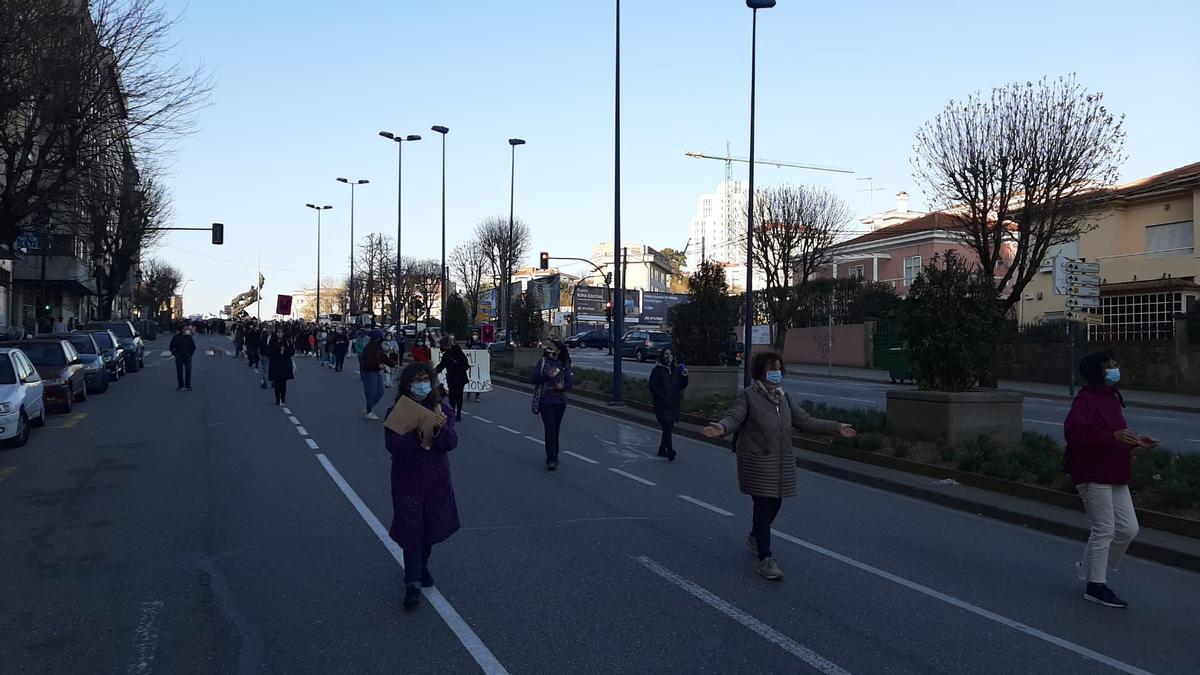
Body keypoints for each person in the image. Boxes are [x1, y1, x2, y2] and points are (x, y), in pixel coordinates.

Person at [702, 351, 856, 581]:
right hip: (758, 461)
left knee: (775, 504)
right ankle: (766, 558)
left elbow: (806, 421)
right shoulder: (749, 396)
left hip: (781, 462)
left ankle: (755, 536)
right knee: (763, 506)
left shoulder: (784, 398)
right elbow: (734, 417)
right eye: (771, 368)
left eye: (778, 368)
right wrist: (722, 428)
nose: (776, 372)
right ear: (760, 372)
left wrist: (836, 427)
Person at [1063, 350, 1152, 609]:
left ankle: (1092, 565)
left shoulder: (1111, 397)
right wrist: (1113, 438)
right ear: (1096, 372)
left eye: (1115, 364)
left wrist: (1137, 441)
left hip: (1114, 472)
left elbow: (1115, 434)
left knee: (1128, 529)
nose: (1115, 369)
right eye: (1110, 365)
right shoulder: (1087, 400)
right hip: (1092, 473)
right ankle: (1095, 586)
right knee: (1104, 529)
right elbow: (1075, 435)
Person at [385, 362, 461, 609]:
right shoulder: (396, 412)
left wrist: (438, 429)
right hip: (407, 481)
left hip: (436, 480)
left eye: (425, 379)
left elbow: (450, 443)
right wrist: (417, 432)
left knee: (430, 528)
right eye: (416, 380)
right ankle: (412, 582)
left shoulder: (443, 410)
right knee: (411, 531)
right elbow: (394, 447)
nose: (422, 384)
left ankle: (422, 564)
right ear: (407, 385)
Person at [531, 340, 572, 470]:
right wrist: (546, 376)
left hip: (560, 401)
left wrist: (563, 386)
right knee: (549, 428)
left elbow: (569, 383)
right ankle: (551, 458)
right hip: (545, 400)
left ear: (558, 351)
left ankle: (555, 452)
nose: (548, 350)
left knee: (556, 428)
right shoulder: (542, 363)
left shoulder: (564, 365)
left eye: (551, 348)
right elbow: (534, 379)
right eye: (547, 348)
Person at [649, 348, 689, 461]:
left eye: (671, 354)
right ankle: (670, 450)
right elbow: (653, 386)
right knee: (666, 425)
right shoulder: (657, 370)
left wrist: (685, 376)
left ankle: (662, 448)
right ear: (662, 356)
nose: (669, 356)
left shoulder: (675, 370)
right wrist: (662, 397)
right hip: (662, 404)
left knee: (669, 426)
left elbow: (681, 385)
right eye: (666, 354)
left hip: (673, 403)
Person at [361, 330, 397, 420]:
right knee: (371, 392)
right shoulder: (368, 348)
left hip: (376, 371)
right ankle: (369, 410)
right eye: (380, 338)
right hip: (369, 372)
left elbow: (383, 357)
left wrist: (393, 364)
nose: (382, 339)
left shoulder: (378, 347)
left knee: (380, 391)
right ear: (376, 338)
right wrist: (378, 365)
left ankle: (368, 407)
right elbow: (366, 361)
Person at [435, 334, 470, 421]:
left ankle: (457, 413)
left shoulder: (457, 352)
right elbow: (441, 365)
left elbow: (465, 364)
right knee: (453, 395)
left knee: (458, 395)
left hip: (459, 377)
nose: (442, 347)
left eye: (443, 345)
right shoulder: (447, 355)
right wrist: (433, 372)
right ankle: (454, 411)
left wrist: (457, 369)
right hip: (452, 377)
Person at [264, 327, 295, 405]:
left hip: (285, 364)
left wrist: (284, 351)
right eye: (278, 332)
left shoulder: (287, 341)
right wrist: (278, 352)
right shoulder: (272, 341)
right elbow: (268, 353)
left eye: (281, 332)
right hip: (276, 365)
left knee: (284, 383)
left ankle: (283, 398)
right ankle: (277, 399)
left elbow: (292, 352)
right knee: (277, 383)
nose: (279, 333)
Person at [169, 325, 197, 391]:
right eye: (184, 329)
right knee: (179, 372)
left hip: (187, 356)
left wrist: (190, 354)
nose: (186, 330)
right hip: (179, 356)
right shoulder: (175, 337)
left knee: (188, 371)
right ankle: (180, 386)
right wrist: (175, 354)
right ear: (181, 330)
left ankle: (188, 385)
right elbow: (171, 347)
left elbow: (193, 347)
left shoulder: (189, 337)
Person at [464, 332, 486, 401]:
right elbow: (466, 349)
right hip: (470, 364)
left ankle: (477, 396)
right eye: (473, 335)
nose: (474, 336)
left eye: (476, 335)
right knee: (469, 379)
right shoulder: (470, 342)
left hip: (478, 364)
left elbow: (484, 352)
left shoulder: (481, 343)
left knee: (477, 379)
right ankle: (468, 393)